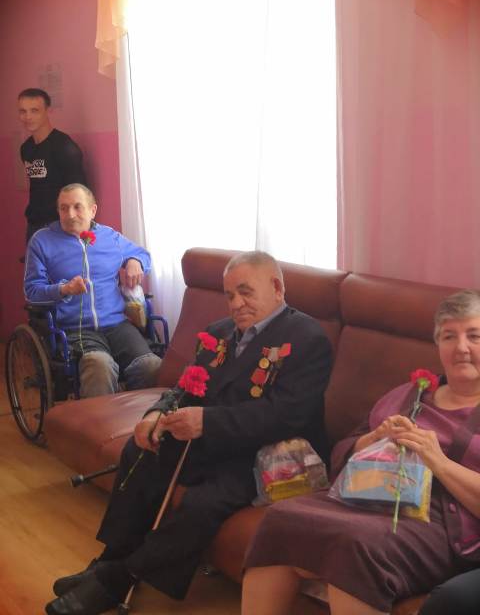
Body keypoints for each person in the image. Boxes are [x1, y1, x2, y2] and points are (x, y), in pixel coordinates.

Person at [44, 250, 333, 615]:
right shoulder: (218, 334)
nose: (236, 304)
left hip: (267, 455)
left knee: (203, 502)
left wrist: (206, 422)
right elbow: (185, 388)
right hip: (212, 439)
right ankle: (109, 558)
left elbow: (286, 415)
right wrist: (156, 414)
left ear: (277, 287)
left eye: (245, 292)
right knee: (140, 451)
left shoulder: (307, 338)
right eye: (229, 295)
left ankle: (119, 578)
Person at [241, 289, 480, 615]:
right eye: (450, 336)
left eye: (474, 336)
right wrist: (375, 438)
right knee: (281, 517)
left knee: (355, 543)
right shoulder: (411, 393)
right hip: (366, 496)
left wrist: (437, 460)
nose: (461, 347)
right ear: (438, 344)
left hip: (441, 524)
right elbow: (344, 452)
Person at [24, 183, 161, 398]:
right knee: (99, 364)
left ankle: (139, 415)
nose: (70, 214)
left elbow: (143, 254)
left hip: (117, 324)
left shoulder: (110, 237)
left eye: (77, 207)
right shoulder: (42, 241)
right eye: (63, 208)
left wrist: (135, 261)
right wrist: (64, 289)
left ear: (92, 210)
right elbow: (32, 291)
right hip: (75, 328)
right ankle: (100, 418)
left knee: (151, 365)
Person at [18, 87, 87, 241]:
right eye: (23, 111)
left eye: (34, 110)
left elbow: (80, 192)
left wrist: (74, 226)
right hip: (34, 224)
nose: (28, 117)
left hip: (61, 225)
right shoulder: (26, 148)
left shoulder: (64, 146)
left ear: (48, 111)